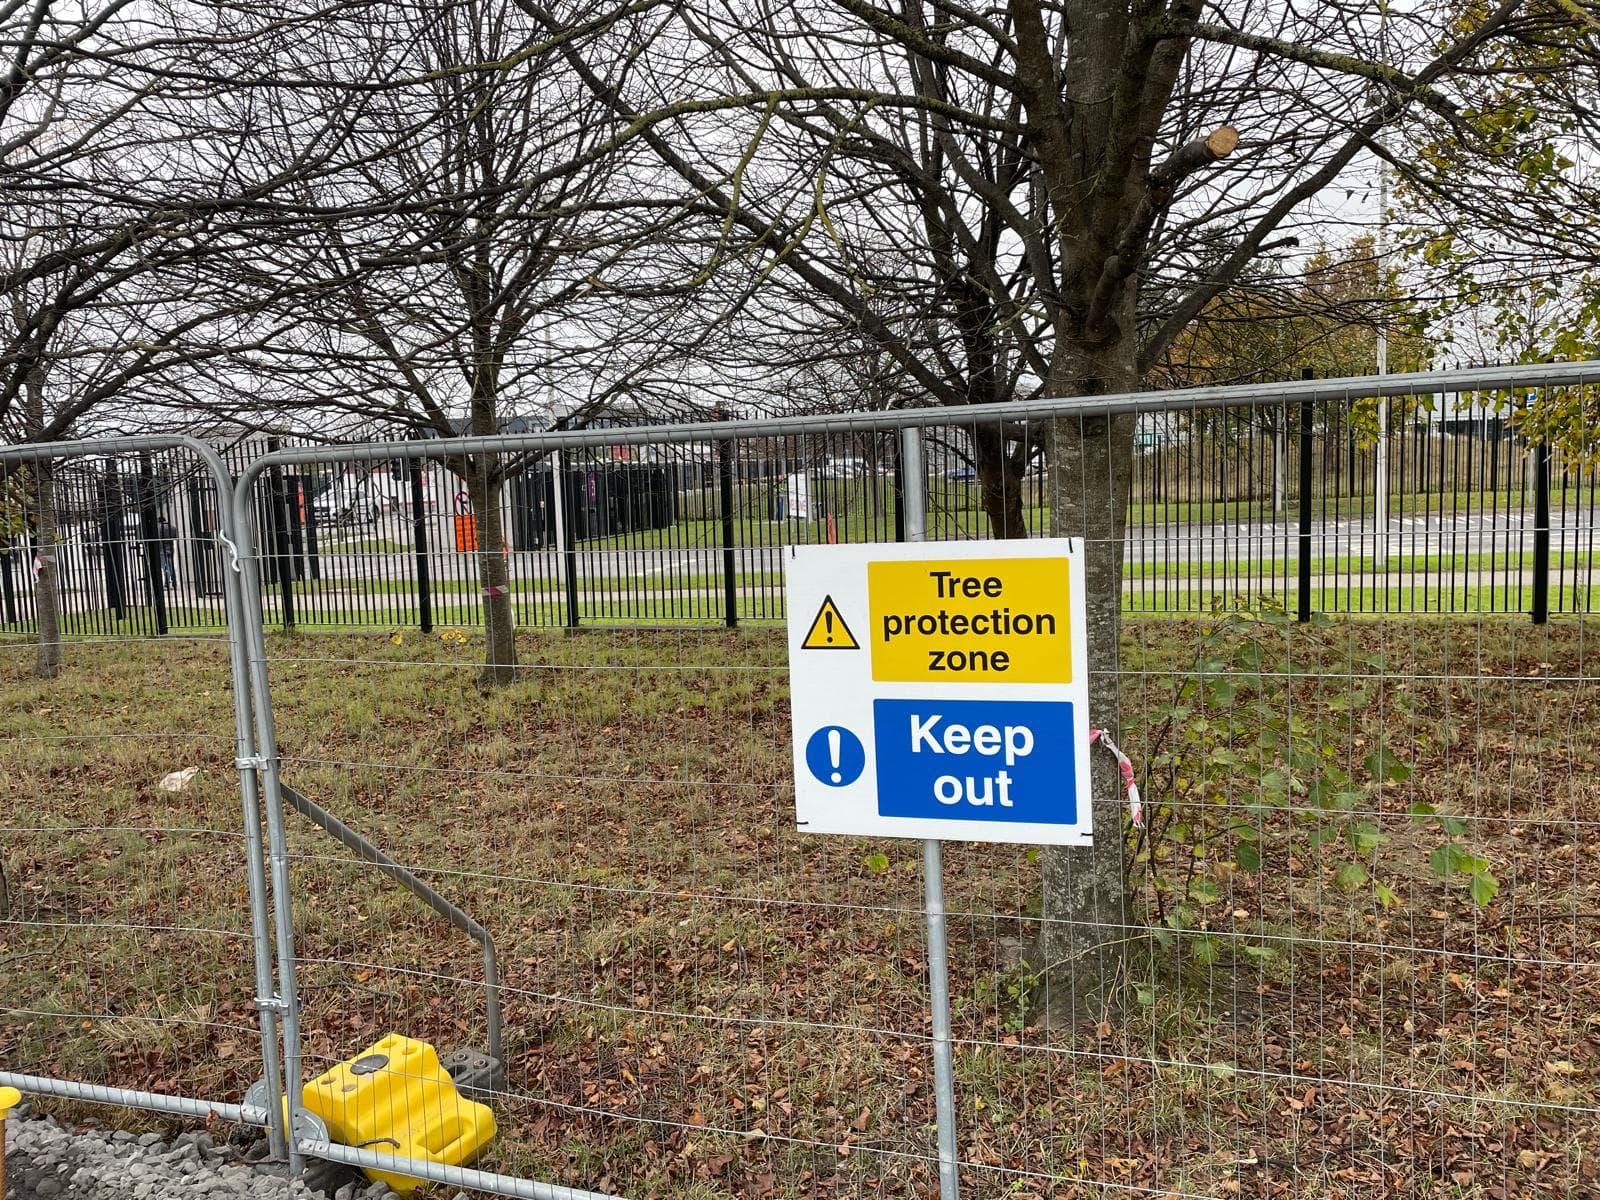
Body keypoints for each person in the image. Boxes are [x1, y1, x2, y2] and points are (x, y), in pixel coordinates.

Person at [155, 516, 177, 587]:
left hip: (162, 548)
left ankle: (167, 582)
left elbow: (158, 538)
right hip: (170, 548)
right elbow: (175, 538)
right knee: (171, 565)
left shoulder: (159, 527)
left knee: (165, 565)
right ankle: (174, 582)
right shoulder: (173, 527)